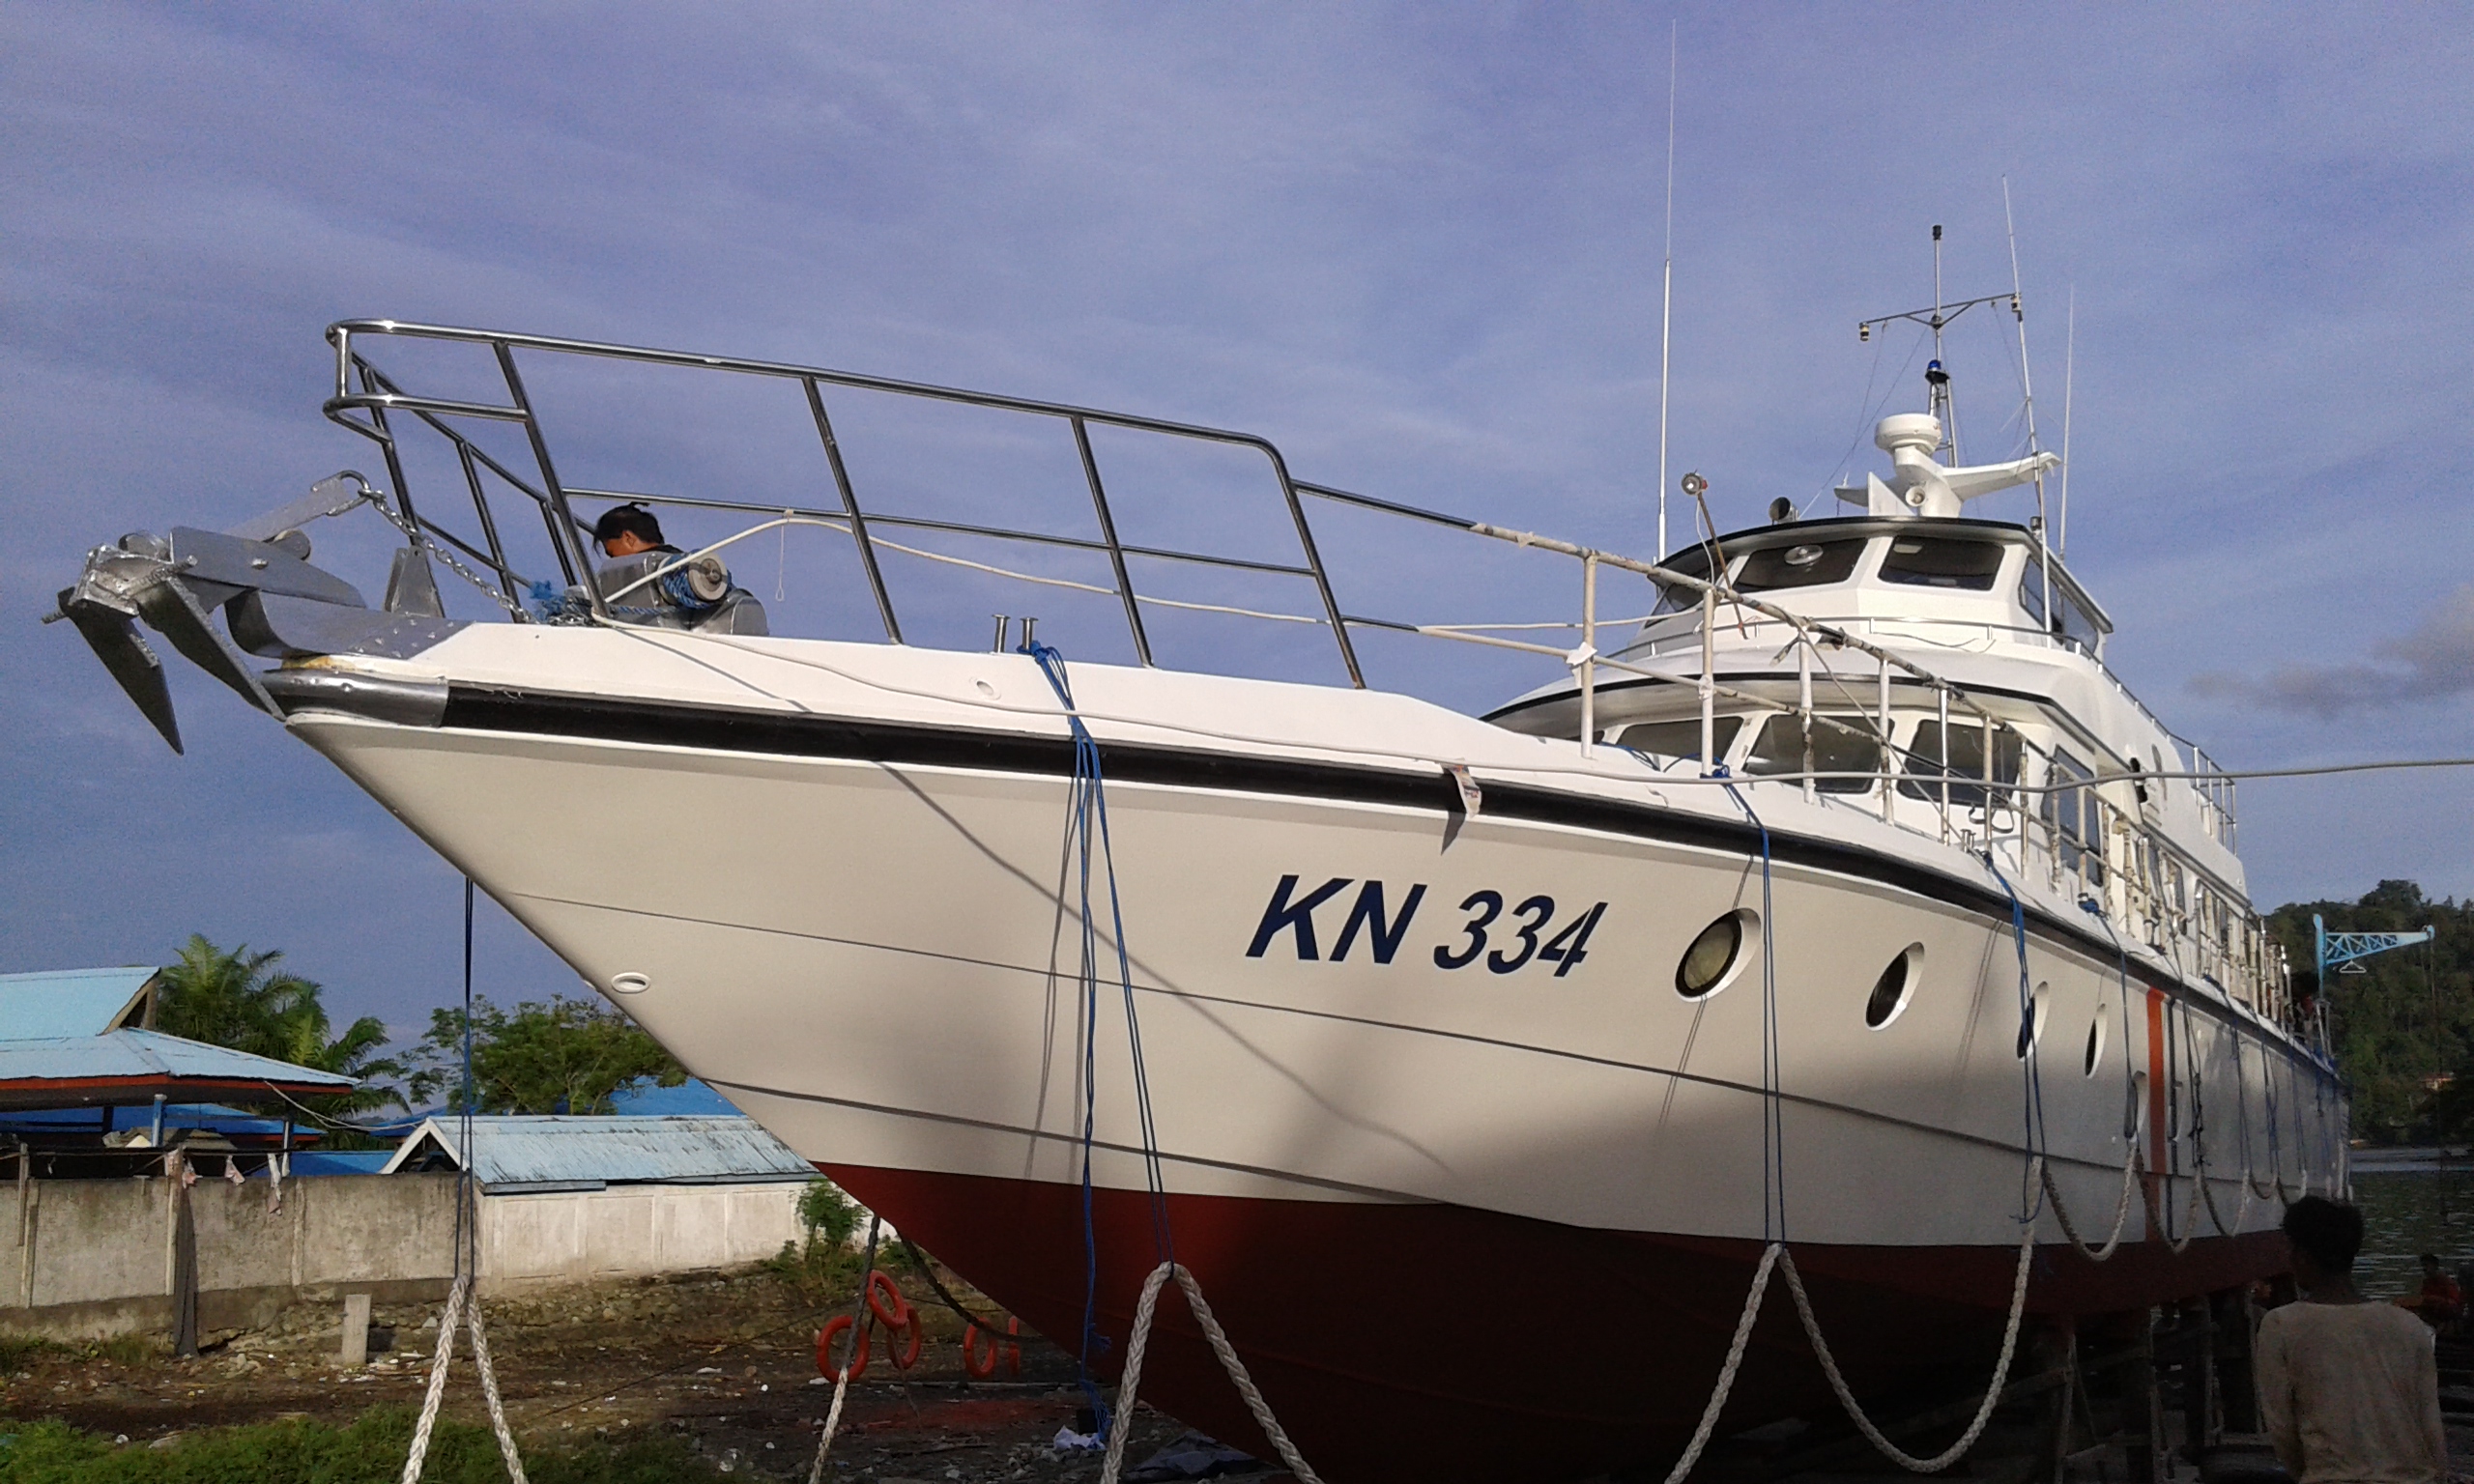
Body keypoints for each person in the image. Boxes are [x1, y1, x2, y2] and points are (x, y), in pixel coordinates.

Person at [2256, 1196, 2447, 1484]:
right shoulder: (2408, 1325)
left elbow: (2282, 1429)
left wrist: (2313, 1474)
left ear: (2302, 1255)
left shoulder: (2281, 1325)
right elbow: (2431, 1427)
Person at [585, 503, 766, 634]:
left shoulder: (646, 571)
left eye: (611, 553)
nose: (613, 560)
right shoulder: (685, 566)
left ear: (628, 538)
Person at [2401, 1252, 2462, 1327]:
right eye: (2423, 1266)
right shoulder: (2427, 1283)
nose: (2424, 1269)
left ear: (2435, 1266)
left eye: (2426, 1265)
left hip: (2445, 1316)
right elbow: (2423, 1300)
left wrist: (2434, 1300)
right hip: (2431, 1313)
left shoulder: (2447, 1283)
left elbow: (2455, 1304)